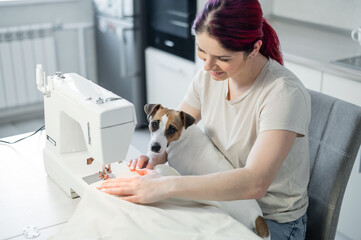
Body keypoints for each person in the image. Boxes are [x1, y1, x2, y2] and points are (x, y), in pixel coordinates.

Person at [99, 0, 311, 239]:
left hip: (269, 222)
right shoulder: (210, 76)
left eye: (222, 57)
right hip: (220, 201)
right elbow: (175, 133)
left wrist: (166, 187)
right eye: (202, 51)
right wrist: (155, 156)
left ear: (254, 49)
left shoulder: (283, 94)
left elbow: (255, 182)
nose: (208, 66)